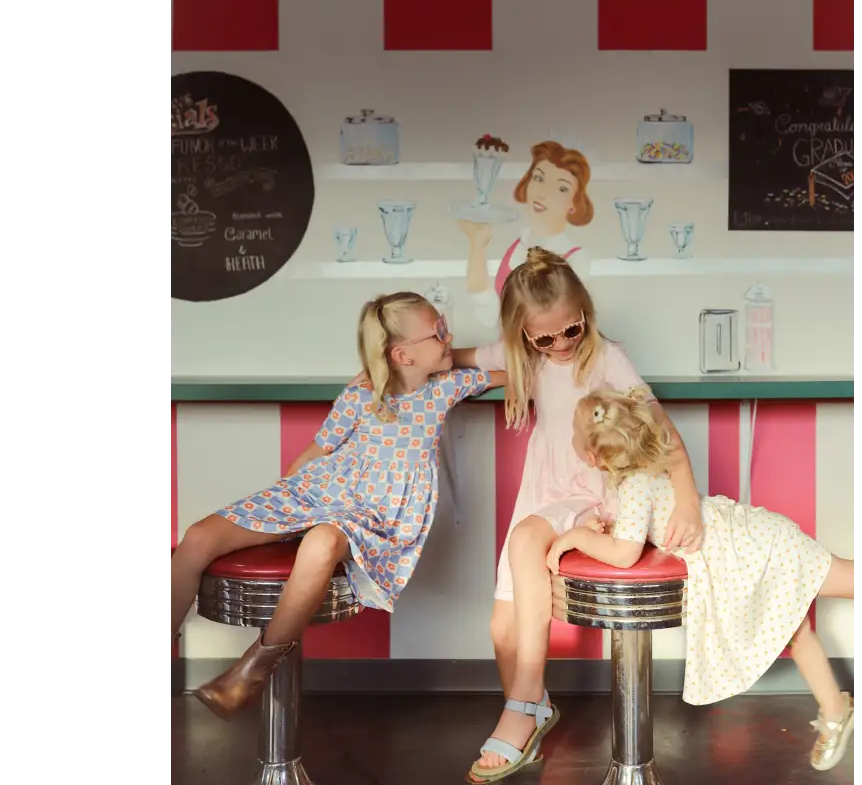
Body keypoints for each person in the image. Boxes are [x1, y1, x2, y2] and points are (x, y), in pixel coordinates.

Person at [168, 291, 503, 720]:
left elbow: (517, 368)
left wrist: (448, 353)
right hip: (319, 490)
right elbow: (315, 453)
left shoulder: (447, 386)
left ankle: (251, 671)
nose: (448, 335)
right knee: (198, 536)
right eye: (438, 331)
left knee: (322, 542)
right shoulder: (360, 394)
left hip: (376, 512)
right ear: (401, 353)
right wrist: (277, 506)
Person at [449, 248, 705, 783]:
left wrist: (688, 498)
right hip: (543, 493)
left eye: (572, 329)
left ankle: (520, 708)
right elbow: (459, 357)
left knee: (524, 541)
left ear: (584, 313)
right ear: (523, 336)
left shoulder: (606, 358)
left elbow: (659, 428)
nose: (562, 345)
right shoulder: (524, 356)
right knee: (501, 628)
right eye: (546, 339)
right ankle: (534, 707)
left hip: (594, 496)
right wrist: (393, 364)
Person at [548, 388, 857, 773]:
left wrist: (574, 537)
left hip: (760, 551)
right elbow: (635, 533)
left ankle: (834, 709)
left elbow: (624, 553)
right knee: (797, 630)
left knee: (839, 588)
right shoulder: (645, 476)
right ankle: (834, 709)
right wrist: (605, 530)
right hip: (752, 548)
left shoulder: (636, 486)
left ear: (593, 457)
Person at [459, 140, 594, 330]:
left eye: (562, 188)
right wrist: (477, 245)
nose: (543, 193)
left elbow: (566, 329)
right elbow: (490, 315)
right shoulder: (519, 243)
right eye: (539, 178)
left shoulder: (576, 258)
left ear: (574, 203)